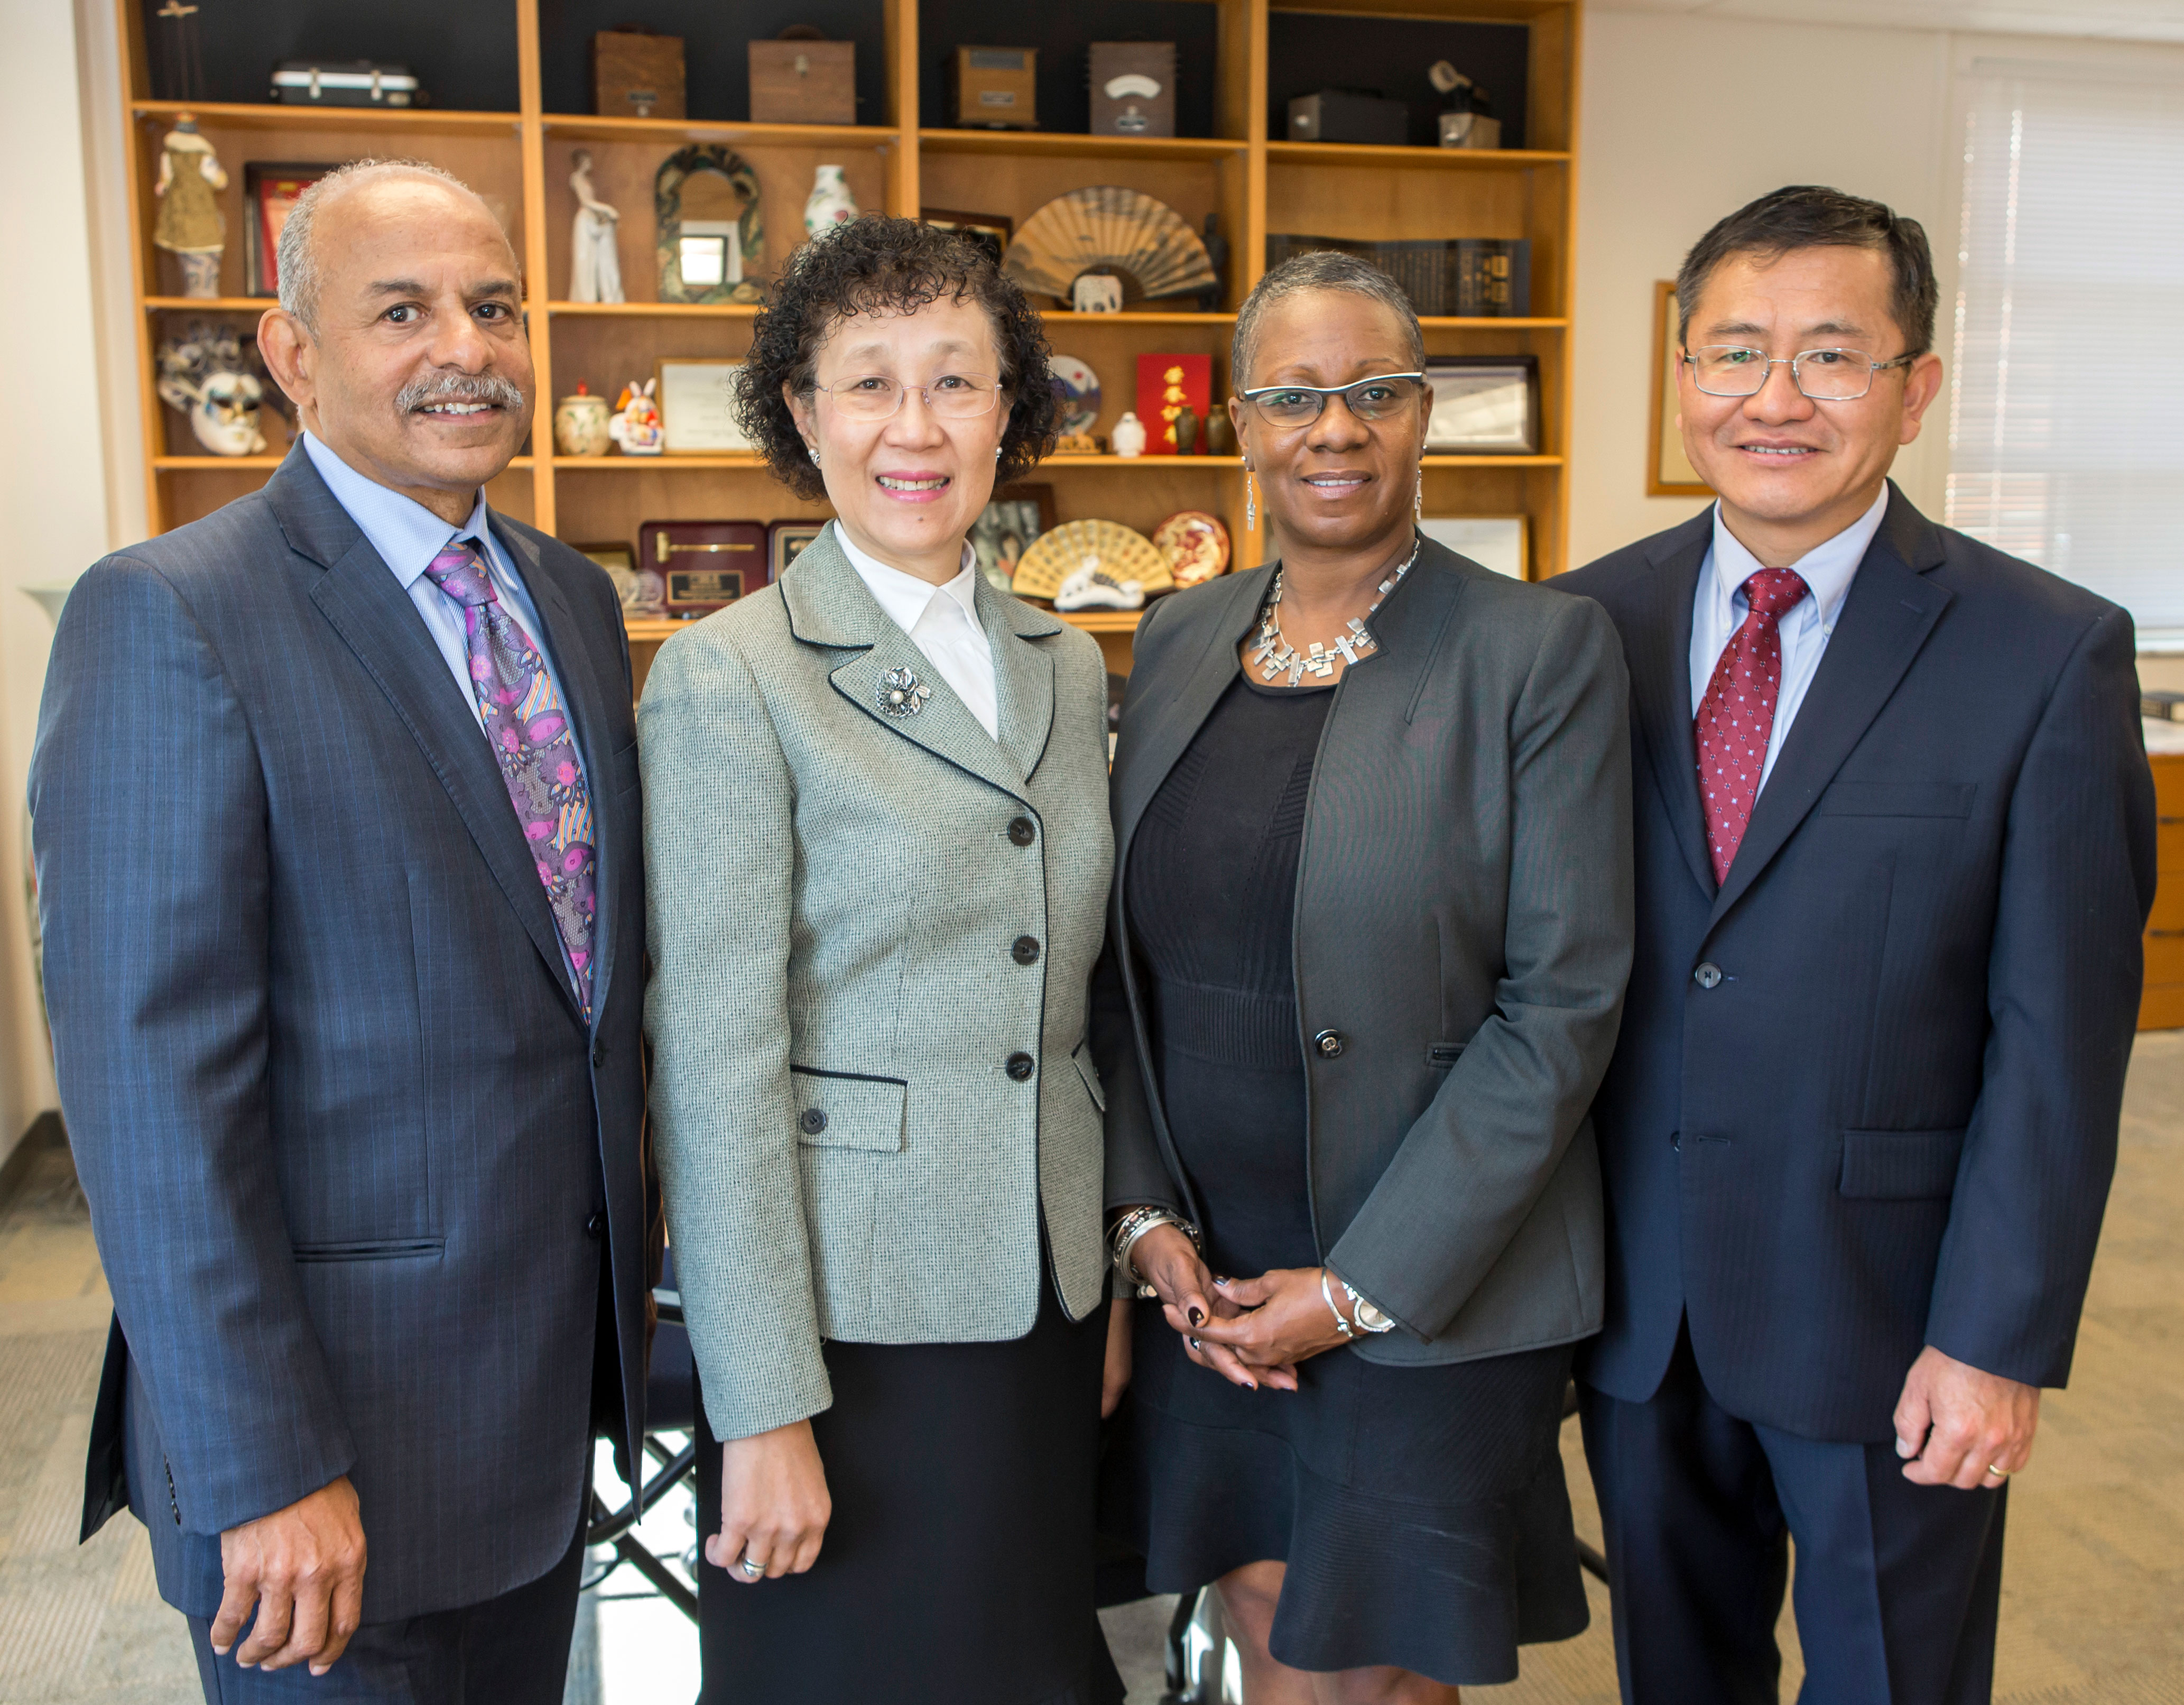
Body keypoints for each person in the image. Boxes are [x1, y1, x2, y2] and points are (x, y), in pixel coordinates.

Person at [30, 159, 650, 1701]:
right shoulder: (174, 613)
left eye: (494, 306)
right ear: (291, 352)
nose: (469, 346)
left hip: (529, 1406)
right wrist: (261, 1463)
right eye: (403, 310)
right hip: (324, 1463)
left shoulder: (569, 599)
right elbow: (148, 1096)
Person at [1559, 185, 2155, 1704]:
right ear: (1679, 375)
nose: (1773, 398)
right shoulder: (1573, 632)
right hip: (1640, 1312)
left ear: (1915, 389)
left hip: (1893, 1324)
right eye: (1731, 351)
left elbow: (2057, 1039)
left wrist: (1994, 1339)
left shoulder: (2044, 651)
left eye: (1829, 356)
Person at [1094, 250, 1635, 1701]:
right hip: (1210, 1262)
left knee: (1380, 1665)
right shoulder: (1175, 635)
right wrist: (1145, 1216)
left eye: (1374, 393)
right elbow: (1118, 971)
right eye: (1293, 396)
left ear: (1422, 414)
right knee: (1267, 1616)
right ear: (1240, 423)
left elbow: (1562, 1006)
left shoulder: (1537, 650)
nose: (1333, 429)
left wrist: (1359, 1288)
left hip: (1426, 1273)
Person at [638, 216, 1123, 1705]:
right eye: (867, 383)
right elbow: (714, 1063)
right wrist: (762, 1406)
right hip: (849, 1324)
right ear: (801, 411)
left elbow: (1075, 1003)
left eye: (956, 382)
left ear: (1009, 411)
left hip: (1040, 1303)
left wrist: (1094, 1269)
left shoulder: (1065, 655)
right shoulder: (732, 673)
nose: (913, 427)